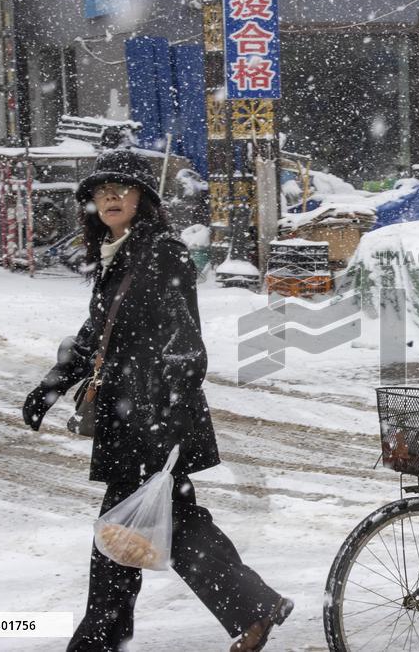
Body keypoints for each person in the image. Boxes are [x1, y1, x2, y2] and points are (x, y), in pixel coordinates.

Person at [22, 149, 291, 651]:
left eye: (120, 189)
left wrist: (163, 417)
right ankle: (253, 607)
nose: (109, 198)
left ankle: (100, 641)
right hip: (133, 420)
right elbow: (95, 336)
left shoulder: (162, 253)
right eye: (101, 192)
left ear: (143, 198)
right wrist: (50, 388)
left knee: (124, 533)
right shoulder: (117, 256)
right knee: (160, 527)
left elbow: (187, 347)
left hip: (152, 420)